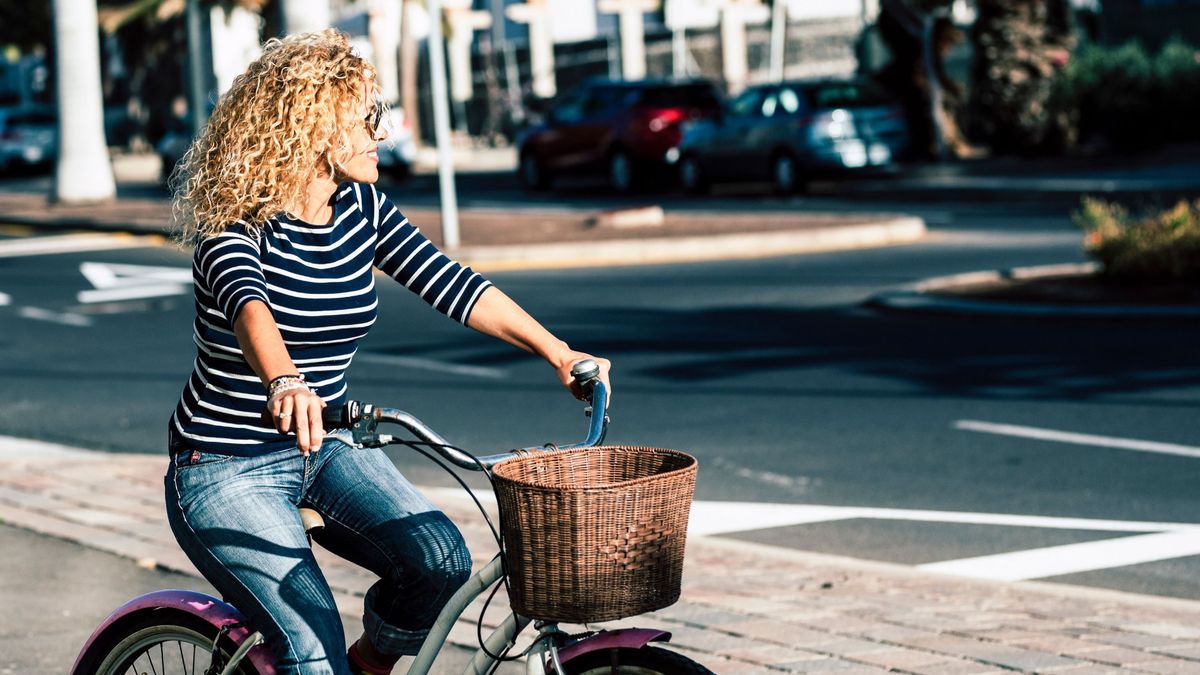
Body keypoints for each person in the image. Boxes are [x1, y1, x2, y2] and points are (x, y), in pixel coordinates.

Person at [164, 30, 611, 675]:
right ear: (313, 128)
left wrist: (557, 351)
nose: (384, 132)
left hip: (323, 447)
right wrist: (283, 380)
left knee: (440, 561)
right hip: (224, 467)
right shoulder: (236, 224)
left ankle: (369, 666)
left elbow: (451, 283)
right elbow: (247, 304)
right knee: (309, 646)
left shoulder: (360, 207)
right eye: (369, 118)